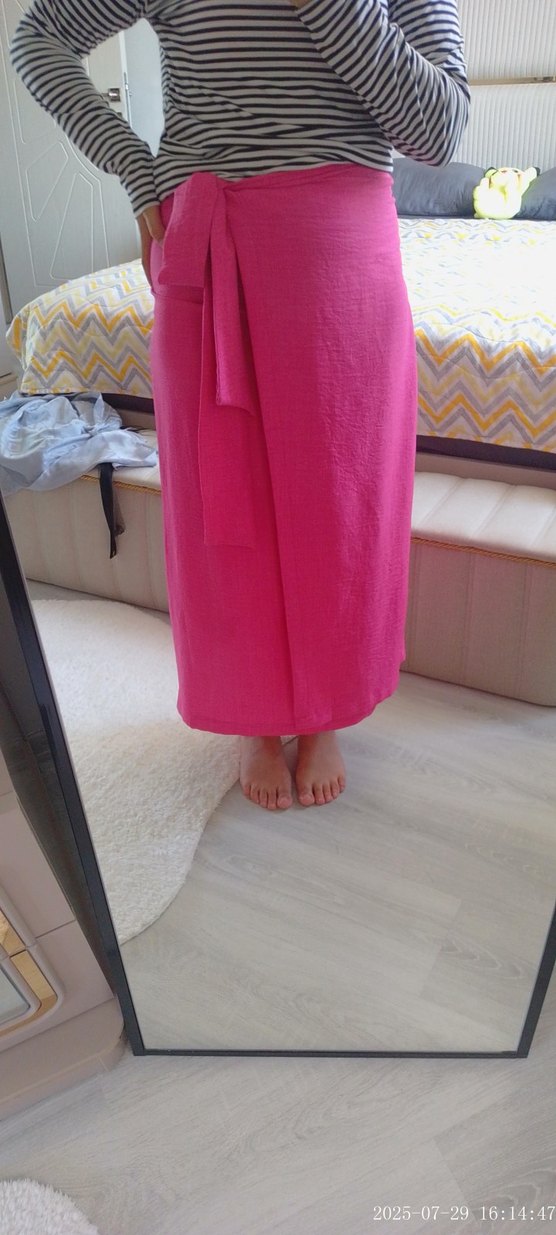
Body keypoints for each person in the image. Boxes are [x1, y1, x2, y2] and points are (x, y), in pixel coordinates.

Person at [10, 0, 470, 813]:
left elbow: (436, 131)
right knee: (223, 502)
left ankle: (324, 709)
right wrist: (138, 169)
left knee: (339, 502)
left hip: (340, 246)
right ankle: (253, 716)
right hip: (207, 239)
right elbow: (38, 38)